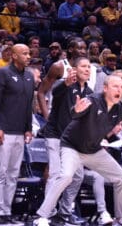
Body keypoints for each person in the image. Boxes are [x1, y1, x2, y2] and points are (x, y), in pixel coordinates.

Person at [33, 75, 122, 226]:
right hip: (72, 146)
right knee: (66, 176)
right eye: (115, 86)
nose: (119, 90)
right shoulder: (93, 100)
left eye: (121, 87)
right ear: (105, 88)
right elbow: (76, 113)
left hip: (93, 150)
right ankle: (42, 217)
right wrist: (76, 109)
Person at [38, 57, 92, 225]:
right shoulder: (65, 86)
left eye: (89, 67)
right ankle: (46, 214)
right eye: (83, 66)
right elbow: (54, 92)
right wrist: (65, 83)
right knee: (55, 174)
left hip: (72, 141)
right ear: (74, 69)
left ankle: (65, 211)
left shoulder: (89, 92)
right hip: (55, 135)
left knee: (77, 176)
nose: (87, 69)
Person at [0, 44, 34, 224]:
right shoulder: (2, 73)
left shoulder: (30, 76)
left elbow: (29, 105)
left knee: (13, 173)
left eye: (29, 53)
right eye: (24, 53)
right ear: (14, 56)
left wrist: (28, 128)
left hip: (19, 131)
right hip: (3, 130)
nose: (28, 56)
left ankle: (7, 211)